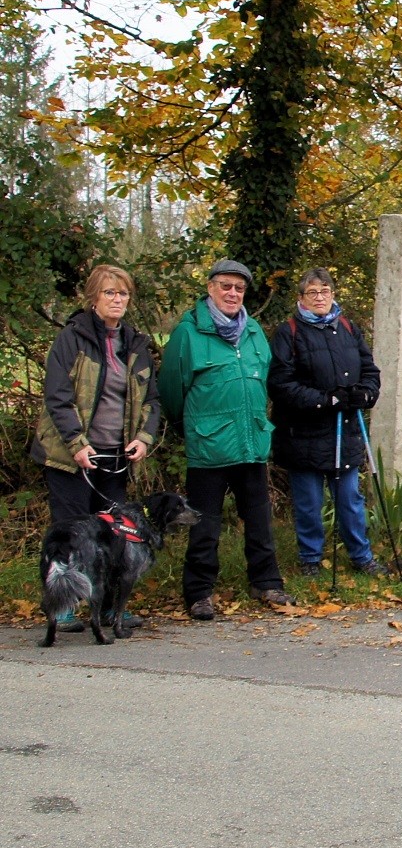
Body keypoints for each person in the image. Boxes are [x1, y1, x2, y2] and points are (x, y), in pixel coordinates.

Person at [161, 260, 296, 619]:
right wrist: (191, 427)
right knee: (204, 524)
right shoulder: (188, 334)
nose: (232, 293)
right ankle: (199, 593)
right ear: (210, 288)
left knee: (259, 518)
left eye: (239, 288)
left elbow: (264, 379)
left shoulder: (252, 331)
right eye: (225, 286)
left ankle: (267, 583)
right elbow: (172, 391)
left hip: (251, 440)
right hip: (209, 445)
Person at [31, 264, 162, 631]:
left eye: (122, 293)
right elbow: (57, 397)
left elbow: (151, 399)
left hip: (114, 456)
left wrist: (143, 437)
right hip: (69, 456)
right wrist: (76, 442)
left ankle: (107, 609)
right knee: (69, 534)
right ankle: (62, 607)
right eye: (109, 292)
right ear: (92, 297)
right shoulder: (71, 339)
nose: (117, 299)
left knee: (112, 536)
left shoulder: (135, 344)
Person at [267, 268, 387, 579]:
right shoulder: (289, 332)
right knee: (309, 503)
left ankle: (362, 557)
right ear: (301, 298)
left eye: (325, 291)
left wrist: (365, 393)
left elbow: (368, 369)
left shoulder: (346, 327)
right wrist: (326, 400)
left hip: (344, 431)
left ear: (333, 295)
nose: (320, 297)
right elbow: (281, 385)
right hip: (303, 434)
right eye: (312, 292)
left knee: (350, 500)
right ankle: (310, 559)